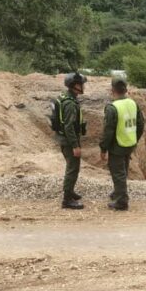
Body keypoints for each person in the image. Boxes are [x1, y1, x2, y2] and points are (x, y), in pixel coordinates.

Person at [100, 77, 145, 211]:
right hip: (129, 143)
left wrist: (103, 148)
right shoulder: (133, 103)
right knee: (123, 170)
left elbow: (108, 131)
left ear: (112, 90)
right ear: (126, 90)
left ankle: (121, 201)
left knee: (118, 172)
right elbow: (141, 124)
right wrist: (134, 139)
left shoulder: (112, 108)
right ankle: (117, 192)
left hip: (117, 145)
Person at [55, 72, 87, 210]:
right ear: (75, 86)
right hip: (69, 142)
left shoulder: (67, 97)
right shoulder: (70, 104)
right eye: (81, 84)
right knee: (72, 169)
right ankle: (67, 200)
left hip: (65, 139)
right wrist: (75, 145)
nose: (83, 86)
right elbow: (68, 127)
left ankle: (70, 191)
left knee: (72, 168)